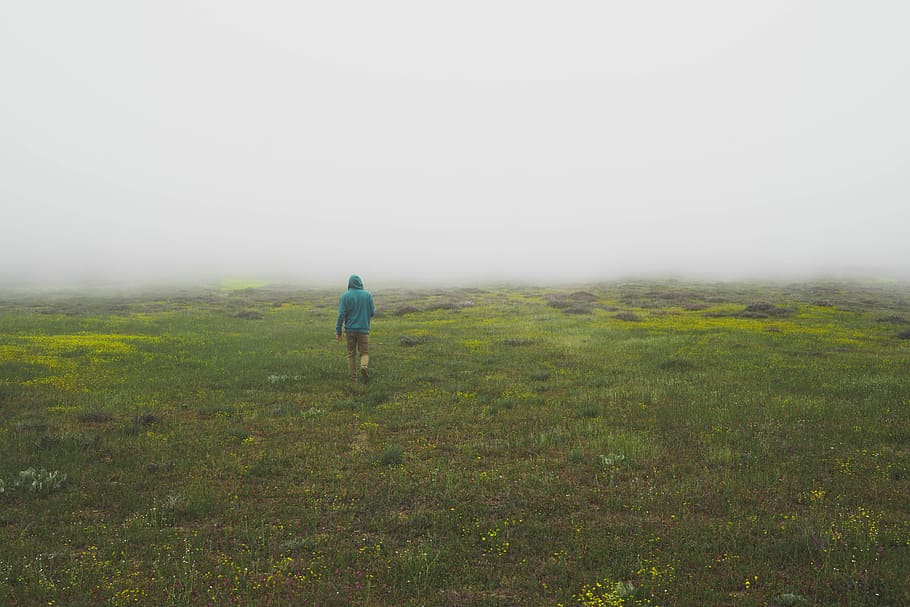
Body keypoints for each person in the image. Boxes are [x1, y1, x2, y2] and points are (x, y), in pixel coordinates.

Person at [336, 274, 375, 383]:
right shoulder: (367, 295)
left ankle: (353, 379)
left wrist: (338, 331)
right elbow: (372, 312)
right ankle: (364, 366)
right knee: (364, 353)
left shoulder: (345, 296)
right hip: (363, 330)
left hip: (350, 330)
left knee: (351, 354)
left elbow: (341, 315)